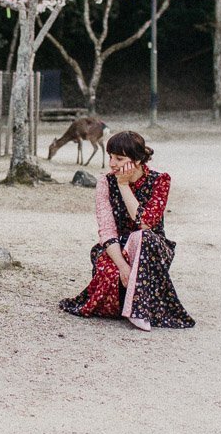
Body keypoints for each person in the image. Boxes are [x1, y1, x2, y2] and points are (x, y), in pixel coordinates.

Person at [59, 130, 194, 330]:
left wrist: (123, 186)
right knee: (110, 279)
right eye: (111, 157)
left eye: (119, 158)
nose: (112, 163)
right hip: (118, 249)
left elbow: (145, 223)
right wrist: (123, 266)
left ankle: (138, 311)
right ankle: (134, 303)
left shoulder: (160, 181)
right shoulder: (105, 182)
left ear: (138, 160)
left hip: (152, 248)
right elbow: (107, 231)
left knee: (142, 236)